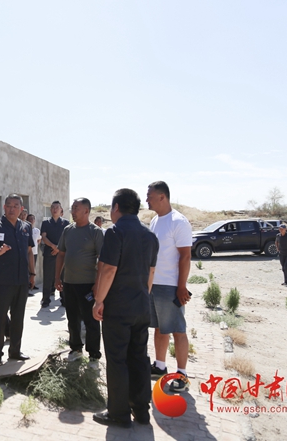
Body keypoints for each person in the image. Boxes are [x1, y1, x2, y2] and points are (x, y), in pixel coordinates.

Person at [92, 188, 159, 428]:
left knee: (117, 360)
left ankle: (118, 413)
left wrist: (99, 301)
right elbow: (151, 272)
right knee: (139, 357)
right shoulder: (149, 235)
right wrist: (142, 296)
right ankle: (141, 411)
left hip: (119, 308)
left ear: (117, 207)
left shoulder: (115, 232)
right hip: (141, 306)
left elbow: (109, 270)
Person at [146, 181, 193, 393]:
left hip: (171, 286)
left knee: (177, 330)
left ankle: (182, 374)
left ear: (162, 197)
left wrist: (181, 286)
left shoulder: (178, 222)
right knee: (159, 328)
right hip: (154, 284)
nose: (147, 200)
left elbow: (185, 256)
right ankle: (160, 366)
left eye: (150, 196)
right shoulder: (155, 221)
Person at [0, 194, 36, 365]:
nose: (12, 209)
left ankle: (15, 351)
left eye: (16, 206)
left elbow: (29, 252)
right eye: (8, 205)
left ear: (21, 209)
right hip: (2, 281)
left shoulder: (26, 227)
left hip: (21, 280)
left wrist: (32, 274)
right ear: (4, 207)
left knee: (18, 317)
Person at [54, 198, 104, 363]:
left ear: (86, 211)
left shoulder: (95, 232)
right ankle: (76, 349)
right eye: (72, 208)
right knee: (72, 318)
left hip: (88, 285)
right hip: (69, 283)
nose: (73, 211)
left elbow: (102, 261)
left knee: (91, 320)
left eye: (76, 208)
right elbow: (61, 255)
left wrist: (98, 284)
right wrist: (57, 277)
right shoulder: (68, 230)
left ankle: (94, 354)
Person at [40, 201, 69, 307]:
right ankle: (46, 299)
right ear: (50, 209)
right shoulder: (46, 223)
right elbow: (43, 237)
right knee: (47, 277)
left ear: (61, 209)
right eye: (53, 207)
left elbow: (67, 238)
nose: (55, 209)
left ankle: (64, 299)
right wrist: (53, 246)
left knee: (63, 277)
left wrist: (59, 249)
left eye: (57, 207)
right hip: (49, 253)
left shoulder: (66, 223)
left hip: (62, 254)